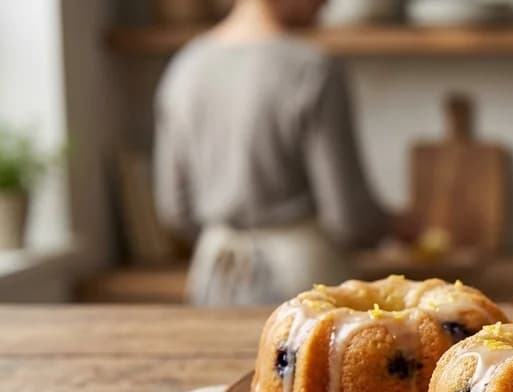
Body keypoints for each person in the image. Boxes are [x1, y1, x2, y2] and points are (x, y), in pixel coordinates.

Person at [154, 0, 393, 305]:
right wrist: (395, 224)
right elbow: (349, 220)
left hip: (214, 272)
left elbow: (174, 209)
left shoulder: (185, 67)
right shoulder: (312, 68)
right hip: (303, 275)